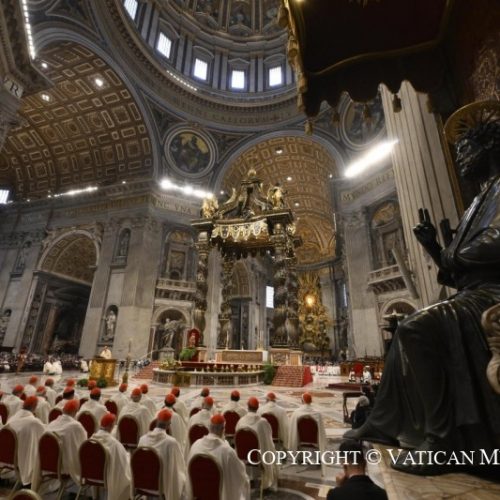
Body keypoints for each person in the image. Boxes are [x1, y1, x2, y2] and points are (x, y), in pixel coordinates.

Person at [345, 102, 500, 474]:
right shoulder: (478, 201)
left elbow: (491, 244)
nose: (459, 157)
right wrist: (432, 246)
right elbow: (451, 270)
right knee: (408, 329)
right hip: (471, 291)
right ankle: (386, 422)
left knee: (415, 327)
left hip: (492, 293)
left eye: (466, 149)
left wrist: (450, 253)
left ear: (489, 147)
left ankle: (441, 440)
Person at [188, 413, 250, 500]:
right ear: (223, 430)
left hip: (198, 495)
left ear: (209, 428)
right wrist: (242, 465)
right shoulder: (227, 452)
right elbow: (239, 476)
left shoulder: (195, 445)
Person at [138, 409, 186, 500]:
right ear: (168, 425)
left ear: (156, 422)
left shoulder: (142, 439)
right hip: (162, 485)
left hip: (143, 483)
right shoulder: (171, 443)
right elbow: (178, 466)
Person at [236, 396, 278, 491]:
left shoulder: (240, 421)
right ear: (258, 407)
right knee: (270, 448)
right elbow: (268, 440)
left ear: (247, 407)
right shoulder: (262, 422)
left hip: (242, 455)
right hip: (258, 457)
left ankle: (249, 475)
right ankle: (266, 477)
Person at [43, 399, 87, 487]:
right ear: (75, 412)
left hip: (46, 464)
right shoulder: (76, 426)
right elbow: (83, 446)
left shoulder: (52, 423)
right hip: (63, 467)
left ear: (63, 410)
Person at [6, 396, 45, 486]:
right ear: (35, 407)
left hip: (7, 456)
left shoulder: (12, 418)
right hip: (21, 457)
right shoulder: (34, 422)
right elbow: (45, 434)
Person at [91, 413, 131, 500]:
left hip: (92, 474)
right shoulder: (113, 443)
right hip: (107, 476)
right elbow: (121, 462)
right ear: (111, 426)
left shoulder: (91, 439)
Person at [288, 393, 328, 476]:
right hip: (315, 441)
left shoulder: (296, 413)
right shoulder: (317, 414)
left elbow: (292, 430)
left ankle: (300, 457)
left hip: (300, 440)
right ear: (311, 401)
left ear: (302, 401)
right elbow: (321, 432)